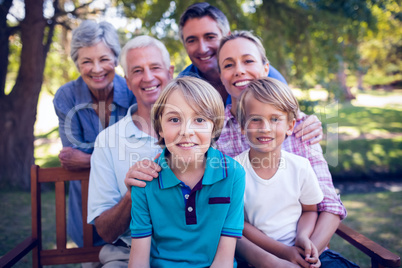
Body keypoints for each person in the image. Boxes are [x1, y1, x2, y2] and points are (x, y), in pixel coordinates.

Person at [218, 31, 356, 268]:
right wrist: (278, 260)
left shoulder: (301, 126)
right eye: (228, 65)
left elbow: (327, 204)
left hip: (309, 251)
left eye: (248, 60)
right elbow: (227, 218)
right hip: (251, 256)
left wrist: (306, 254)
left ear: (265, 67)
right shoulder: (213, 132)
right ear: (221, 76)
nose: (239, 70)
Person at [128, 76, 245, 267]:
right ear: (160, 128)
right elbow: (138, 261)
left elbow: (224, 259)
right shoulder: (146, 179)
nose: (186, 131)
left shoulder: (232, 174)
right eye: (174, 119)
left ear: (214, 126)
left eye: (199, 119)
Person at [177, 2, 323, 145]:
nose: (202, 48)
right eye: (192, 40)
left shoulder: (267, 77)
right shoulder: (182, 88)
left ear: (226, 36)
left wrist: (309, 125)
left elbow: (290, 117)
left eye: (210, 37)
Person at [87, 35, 173, 266]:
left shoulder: (195, 132)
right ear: (127, 81)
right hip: (126, 253)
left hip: (189, 249)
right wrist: (130, 196)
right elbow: (106, 232)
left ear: (170, 72)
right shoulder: (107, 141)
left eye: (155, 67)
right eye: (137, 70)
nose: (148, 77)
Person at [53, 20, 136, 248]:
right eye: (87, 61)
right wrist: (117, 158)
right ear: (77, 64)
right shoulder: (66, 97)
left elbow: (139, 155)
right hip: (87, 209)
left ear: (116, 60)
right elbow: (72, 157)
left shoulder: (133, 91)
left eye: (104, 59)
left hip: (132, 212)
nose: (97, 69)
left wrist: (88, 159)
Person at [234, 77, 324, 268]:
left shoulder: (301, 167)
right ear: (242, 127)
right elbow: (239, 223)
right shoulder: (235, 171)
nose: (265, 128)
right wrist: (284, 252)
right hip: (255, 257)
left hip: (297, 250)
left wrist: (303, 237)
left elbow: (310, 210)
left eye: (275, 119)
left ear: (290, 126)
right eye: (255, 120)